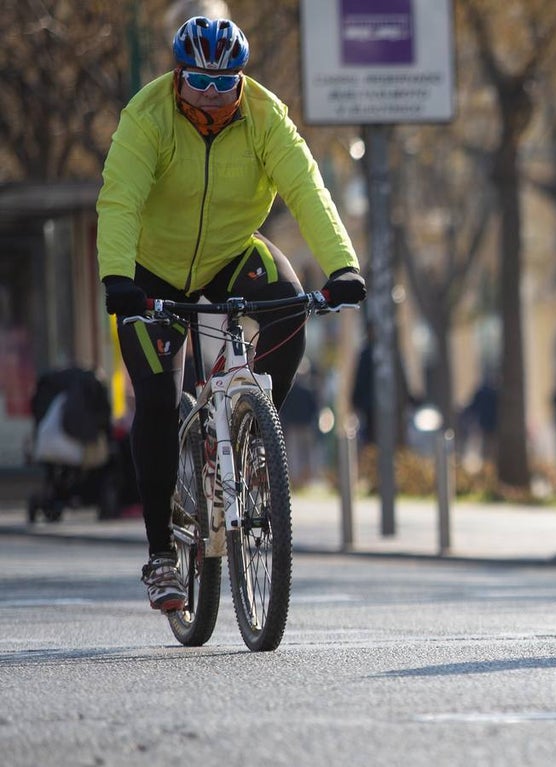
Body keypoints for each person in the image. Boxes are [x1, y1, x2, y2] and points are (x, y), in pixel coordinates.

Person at [97, 17, 367, 613]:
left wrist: (342, 267)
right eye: (198, 80)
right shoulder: (148, 118)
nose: (213, 95)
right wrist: (118, 278)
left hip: (229, 253)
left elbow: (307, 189)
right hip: (149, 271)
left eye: (226, 82)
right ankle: (162, 558)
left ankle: (250, 433)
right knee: (160, 403)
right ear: (177, 75)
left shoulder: (266, 118)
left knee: (291, 309)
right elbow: (119, 198)